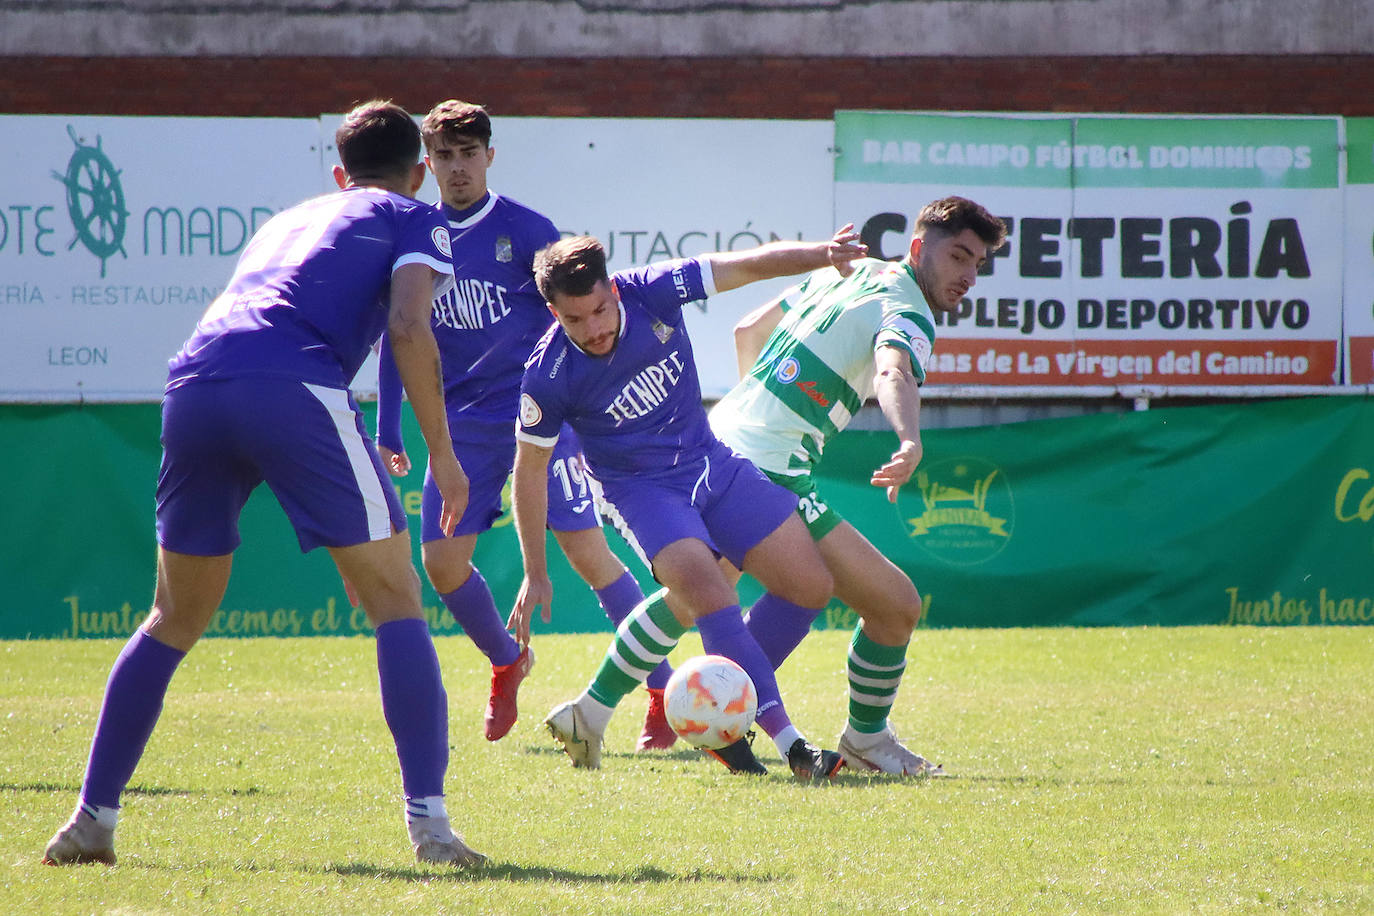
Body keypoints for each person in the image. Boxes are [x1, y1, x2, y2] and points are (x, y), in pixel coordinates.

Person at [42, 101, 485, 868]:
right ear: (419, 174)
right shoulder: (416, 218)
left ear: (339, 174)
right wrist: (442, 453)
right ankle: (433, 830)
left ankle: (91, 821)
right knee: (395, 599)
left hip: (194, 383)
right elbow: (411, 327)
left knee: (173, 616)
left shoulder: (287, 219)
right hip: (292, 385)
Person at [556, 196, 1008, 776]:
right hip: (770, 466)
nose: (968, 275)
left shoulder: (850, 272)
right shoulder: (909, 310)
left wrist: (756, 422)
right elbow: (893, 369)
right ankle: (836, 735)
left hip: (722, 441)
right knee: (893, 605)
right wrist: (909, 440)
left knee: (697, 594)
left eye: (978, 263)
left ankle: (597, 713)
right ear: (919, 248)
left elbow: (749, 329)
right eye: (959, 256)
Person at [509, 229, 868, 780]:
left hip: (711, 463)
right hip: (641, 493)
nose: (595, 328)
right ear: (553, 312)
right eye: (575, 319)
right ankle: (794, 748)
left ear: (614, 290)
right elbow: (529, 474)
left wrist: (823, 255)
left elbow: (743, 264)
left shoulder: (653, 291)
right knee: (707, 591)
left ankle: (658, 712)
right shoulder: (548, 375)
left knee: (810, 587)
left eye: (601, 309)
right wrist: (535, 571)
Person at [373, 99, 671, 748]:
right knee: (443, 566)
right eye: (444, 157)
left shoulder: (528, 231)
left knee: (587, 553)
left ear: (490, 156)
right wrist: (391, 426)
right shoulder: (414, 236)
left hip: (540, 416)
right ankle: (509, 660)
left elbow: (586, 317)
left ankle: (663, 694)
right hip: (460, 430)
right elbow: (403, 334)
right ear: (427, 165)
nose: (457, 169)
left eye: (469, 154)